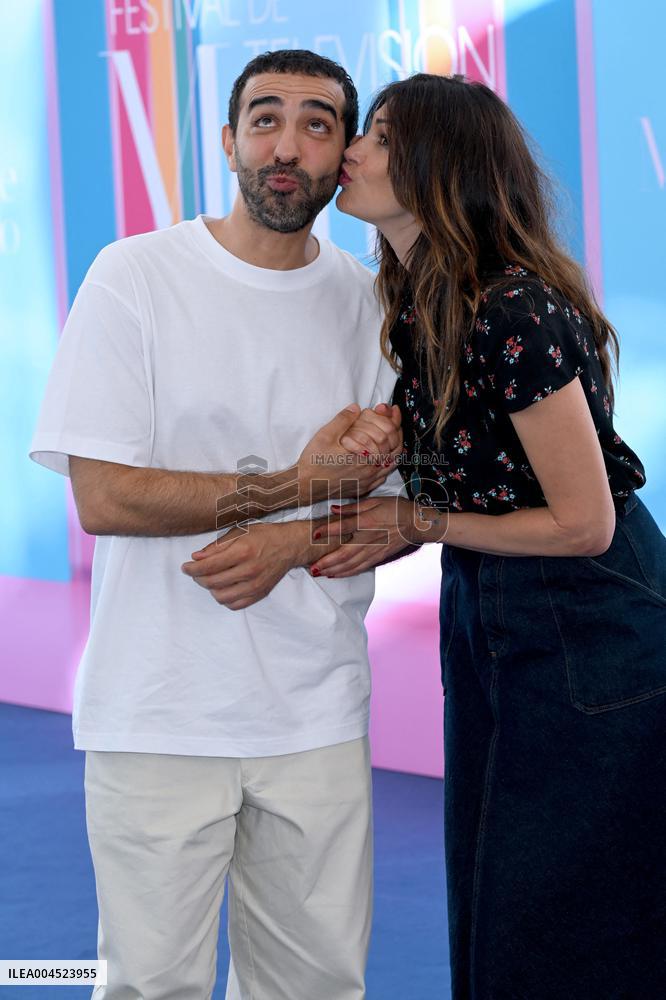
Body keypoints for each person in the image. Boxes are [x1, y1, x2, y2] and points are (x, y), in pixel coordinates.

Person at [29, 50, 410, 1000]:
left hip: (316, 710)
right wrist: (295, 485)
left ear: (344, 154)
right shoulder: (135, 277)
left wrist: (303, 530)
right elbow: (105, 497)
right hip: (157, 708)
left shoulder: (372, 305)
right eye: (266, 118)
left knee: (317, 987)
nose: (288, 145)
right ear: (230, 138)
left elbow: (390, 510)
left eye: (318, 123)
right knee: (150, 986)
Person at [308, 74, 666, 998]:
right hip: (500, 606)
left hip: (587, 620)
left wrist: (413, 518)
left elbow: (584, 524)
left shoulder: (510, 305)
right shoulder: (425, 298)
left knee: (562, 911)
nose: (352, 148)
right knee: (501, 890)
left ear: (440, 164)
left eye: (378, 136)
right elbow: (485, 491)